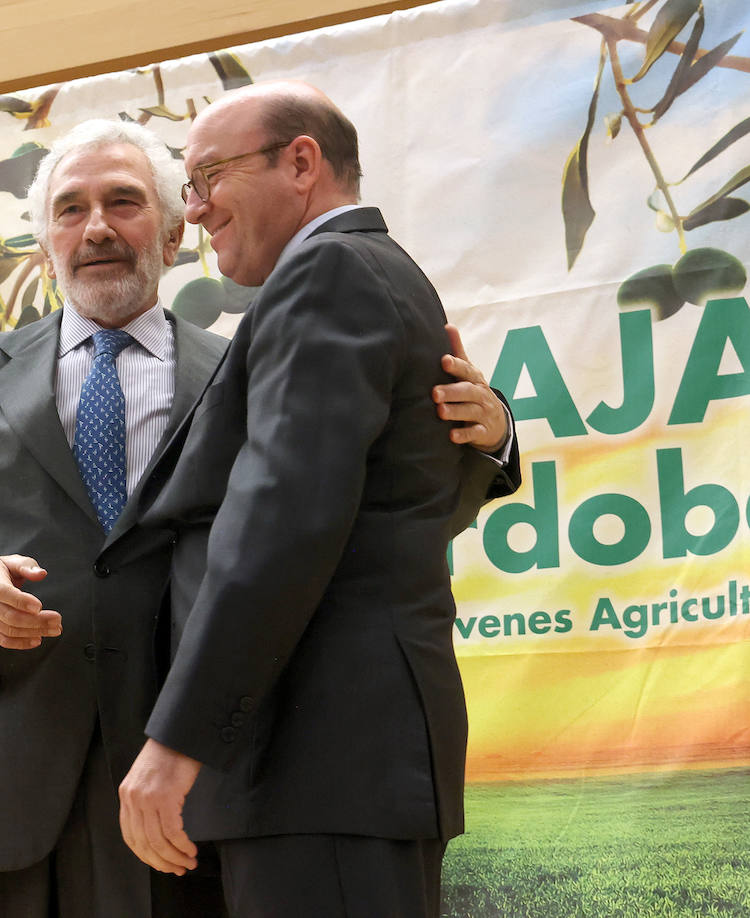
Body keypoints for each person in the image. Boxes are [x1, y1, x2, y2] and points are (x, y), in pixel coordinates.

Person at [0, 116, 512, 917]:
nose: (96, 226)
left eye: (124, 202)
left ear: (174, 235)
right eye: (71, 209)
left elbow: (341, 512)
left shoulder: (242, 363)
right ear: (45, 246)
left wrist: (492, 442)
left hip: (188, 785)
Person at [115, 81, 522, 918]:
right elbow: (391, 494)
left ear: (301, 163)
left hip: (320, 760)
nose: (192, 212)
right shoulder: (353, 275)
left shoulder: (328, 271)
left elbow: (282, 520)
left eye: (206, 178)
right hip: (321, 771)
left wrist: (176, 741)